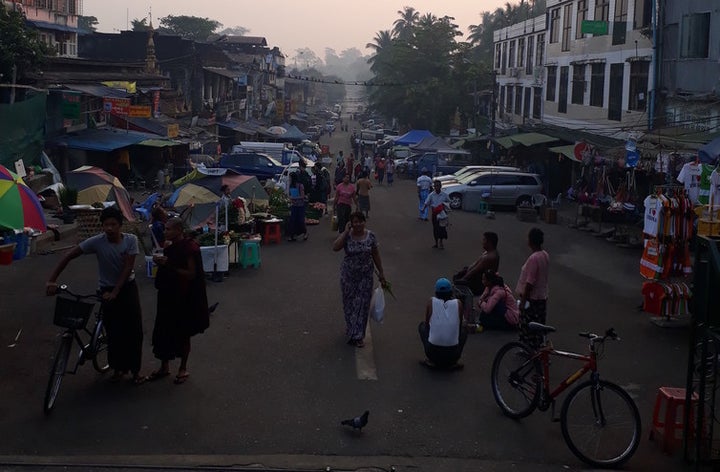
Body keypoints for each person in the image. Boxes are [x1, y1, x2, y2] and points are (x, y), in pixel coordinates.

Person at [46, 207, 146, 384]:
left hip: (127, 289)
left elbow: (127, 268)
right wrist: (52, 280)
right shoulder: (96, 242)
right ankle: (117, 368)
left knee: (134, 330)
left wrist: (116, 292)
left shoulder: (131, 240)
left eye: (113, 224)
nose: (109, 228)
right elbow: (69, 256)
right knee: (114, 332)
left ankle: (135, 371)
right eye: (106, 225)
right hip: (106, 290)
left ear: (120, 225)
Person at [149, 218, 210, 384]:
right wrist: (160, 262)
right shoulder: (169, 246)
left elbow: (191, 274)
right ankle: (164, 366)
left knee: (183, 333)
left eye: (168, 229)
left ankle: (183, 368)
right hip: (167, 293)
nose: (165, 232)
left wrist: (169, 264)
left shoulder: (190, 247)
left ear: (179, 230)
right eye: (165, 229)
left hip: (183, 295)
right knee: (163, 330)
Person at [332, 211, 386, 347]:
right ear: (351, 224)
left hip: (365, 277)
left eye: (360, 221)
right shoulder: (347, 236)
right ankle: (351, 327)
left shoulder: (370, 236)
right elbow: (335, 247)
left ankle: (358, 335)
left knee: (362, 305)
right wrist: (345, 232)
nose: (358, 225)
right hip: (348, 276)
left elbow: (375, 254)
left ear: (364, 222)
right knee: (349, 304)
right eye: (355, 222)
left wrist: (381, 272)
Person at [418, 278, 466, 369]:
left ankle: (431, 360)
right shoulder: (458, 303)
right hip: (453, 354)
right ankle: (453, 362)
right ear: (451, 292)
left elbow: (427, 323)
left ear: (436, 292)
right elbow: (459, 325)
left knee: (422, 326)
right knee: (463, 331)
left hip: (432, 352)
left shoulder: (431, 301)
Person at [516, 227, 550, 348]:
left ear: (531, 241)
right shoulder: (544, 255)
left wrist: (523, 301)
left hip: (532, 299)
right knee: (539, 324)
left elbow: (529, 282)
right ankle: (537, 347)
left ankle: (527, 349)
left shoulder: (534, 258)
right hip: (542, 297)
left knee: (527, 325)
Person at [423, 180, 451, 249]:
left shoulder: (444, 195)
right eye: (435, 186)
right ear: (434, 187)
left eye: (438, 185)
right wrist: (423, 209)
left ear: (441, 186)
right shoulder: (431, 195)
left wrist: (445, 206)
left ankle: (441, 241)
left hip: (442, 214)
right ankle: (436, 243)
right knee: (435, 229)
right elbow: (426, 203)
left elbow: (449, 201)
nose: (437, 187)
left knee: (442, 228)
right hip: (435, 214)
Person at [287, 172, 309, 241]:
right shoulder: (291, 186)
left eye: (290, 177)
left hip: (300, 206)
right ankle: (292, 235)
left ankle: (305, 232)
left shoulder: (300, 186)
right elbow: (290, 194)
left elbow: (302, 196)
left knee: (300, 221)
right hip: (294, 205)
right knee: (292, 220)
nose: (289, 179)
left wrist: (294, 198)